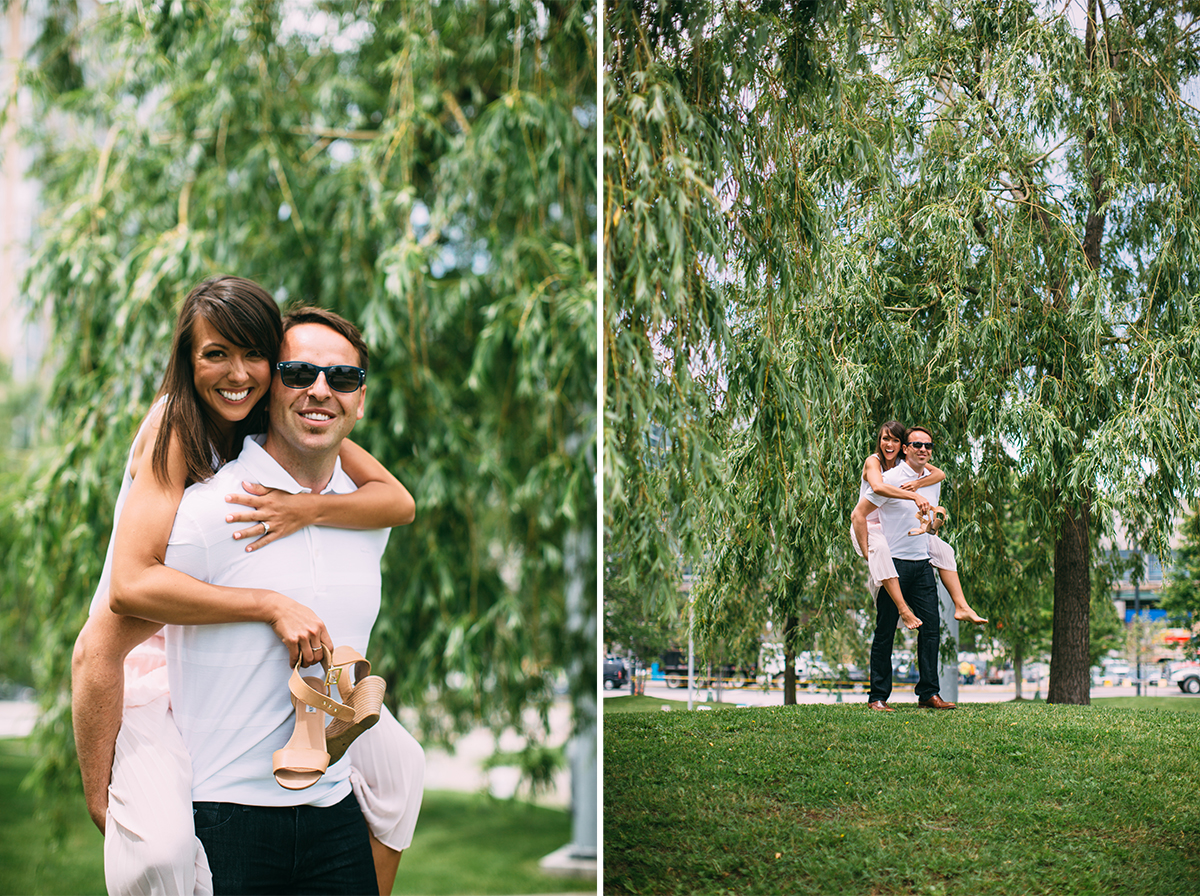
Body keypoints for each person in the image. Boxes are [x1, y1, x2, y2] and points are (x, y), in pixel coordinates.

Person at [71, 279, 421, 895]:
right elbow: (118, 607)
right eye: (300, 371)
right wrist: (102, 798)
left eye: (342, 379)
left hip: (325, 817)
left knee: (403, 770)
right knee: (159, 851)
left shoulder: (322, 475)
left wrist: (306, 509)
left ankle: (323, 712)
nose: (237, 374)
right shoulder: (182, 448)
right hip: (160, 672)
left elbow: (399, 500)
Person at [850, 425, 957, 711]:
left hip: (921, 561)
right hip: (891, 560)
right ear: (906, 448)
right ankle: (877, 697)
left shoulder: (926, 479)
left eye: (928, 446)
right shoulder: (885, 477)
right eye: (916, 444)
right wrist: (865, 552)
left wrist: (936, 518)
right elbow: (860, 513)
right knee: (885, 630)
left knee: (932, 628)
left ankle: (928, 694)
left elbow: (930, 523)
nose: (923, 449)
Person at [849, 420, 987, 629]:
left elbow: (939, 474)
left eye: (895, 440)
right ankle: (903, 610)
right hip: (868, 525)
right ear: (880, 441)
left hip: (890, 524)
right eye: (886, 439)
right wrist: (913, 496)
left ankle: (961, 605)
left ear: (902, 446)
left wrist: (918, 483)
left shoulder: (902, 462)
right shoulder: (874, 461)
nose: (890, 445)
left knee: (944, 550)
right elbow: (877, 487)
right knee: (882, 552)